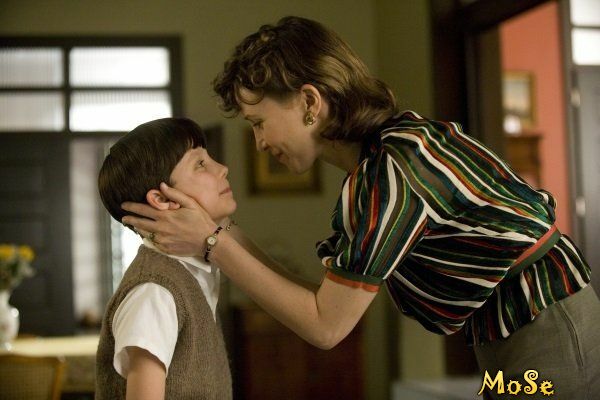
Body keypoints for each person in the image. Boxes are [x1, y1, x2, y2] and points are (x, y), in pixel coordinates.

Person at [121, 16, 600, 399]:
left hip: (544, 327)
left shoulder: (393, 172)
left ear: (309, 102)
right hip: (509, 330)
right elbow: (323, 301)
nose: (259, 142)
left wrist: (211, 242)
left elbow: (325, 326)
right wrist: (219, 232)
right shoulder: (383, 160)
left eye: (259, 122)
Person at [96, 117, 234, 399]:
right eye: (200, 164)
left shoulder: (194, 271)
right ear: (161, 199)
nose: (222, 168)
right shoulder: (155, 291)